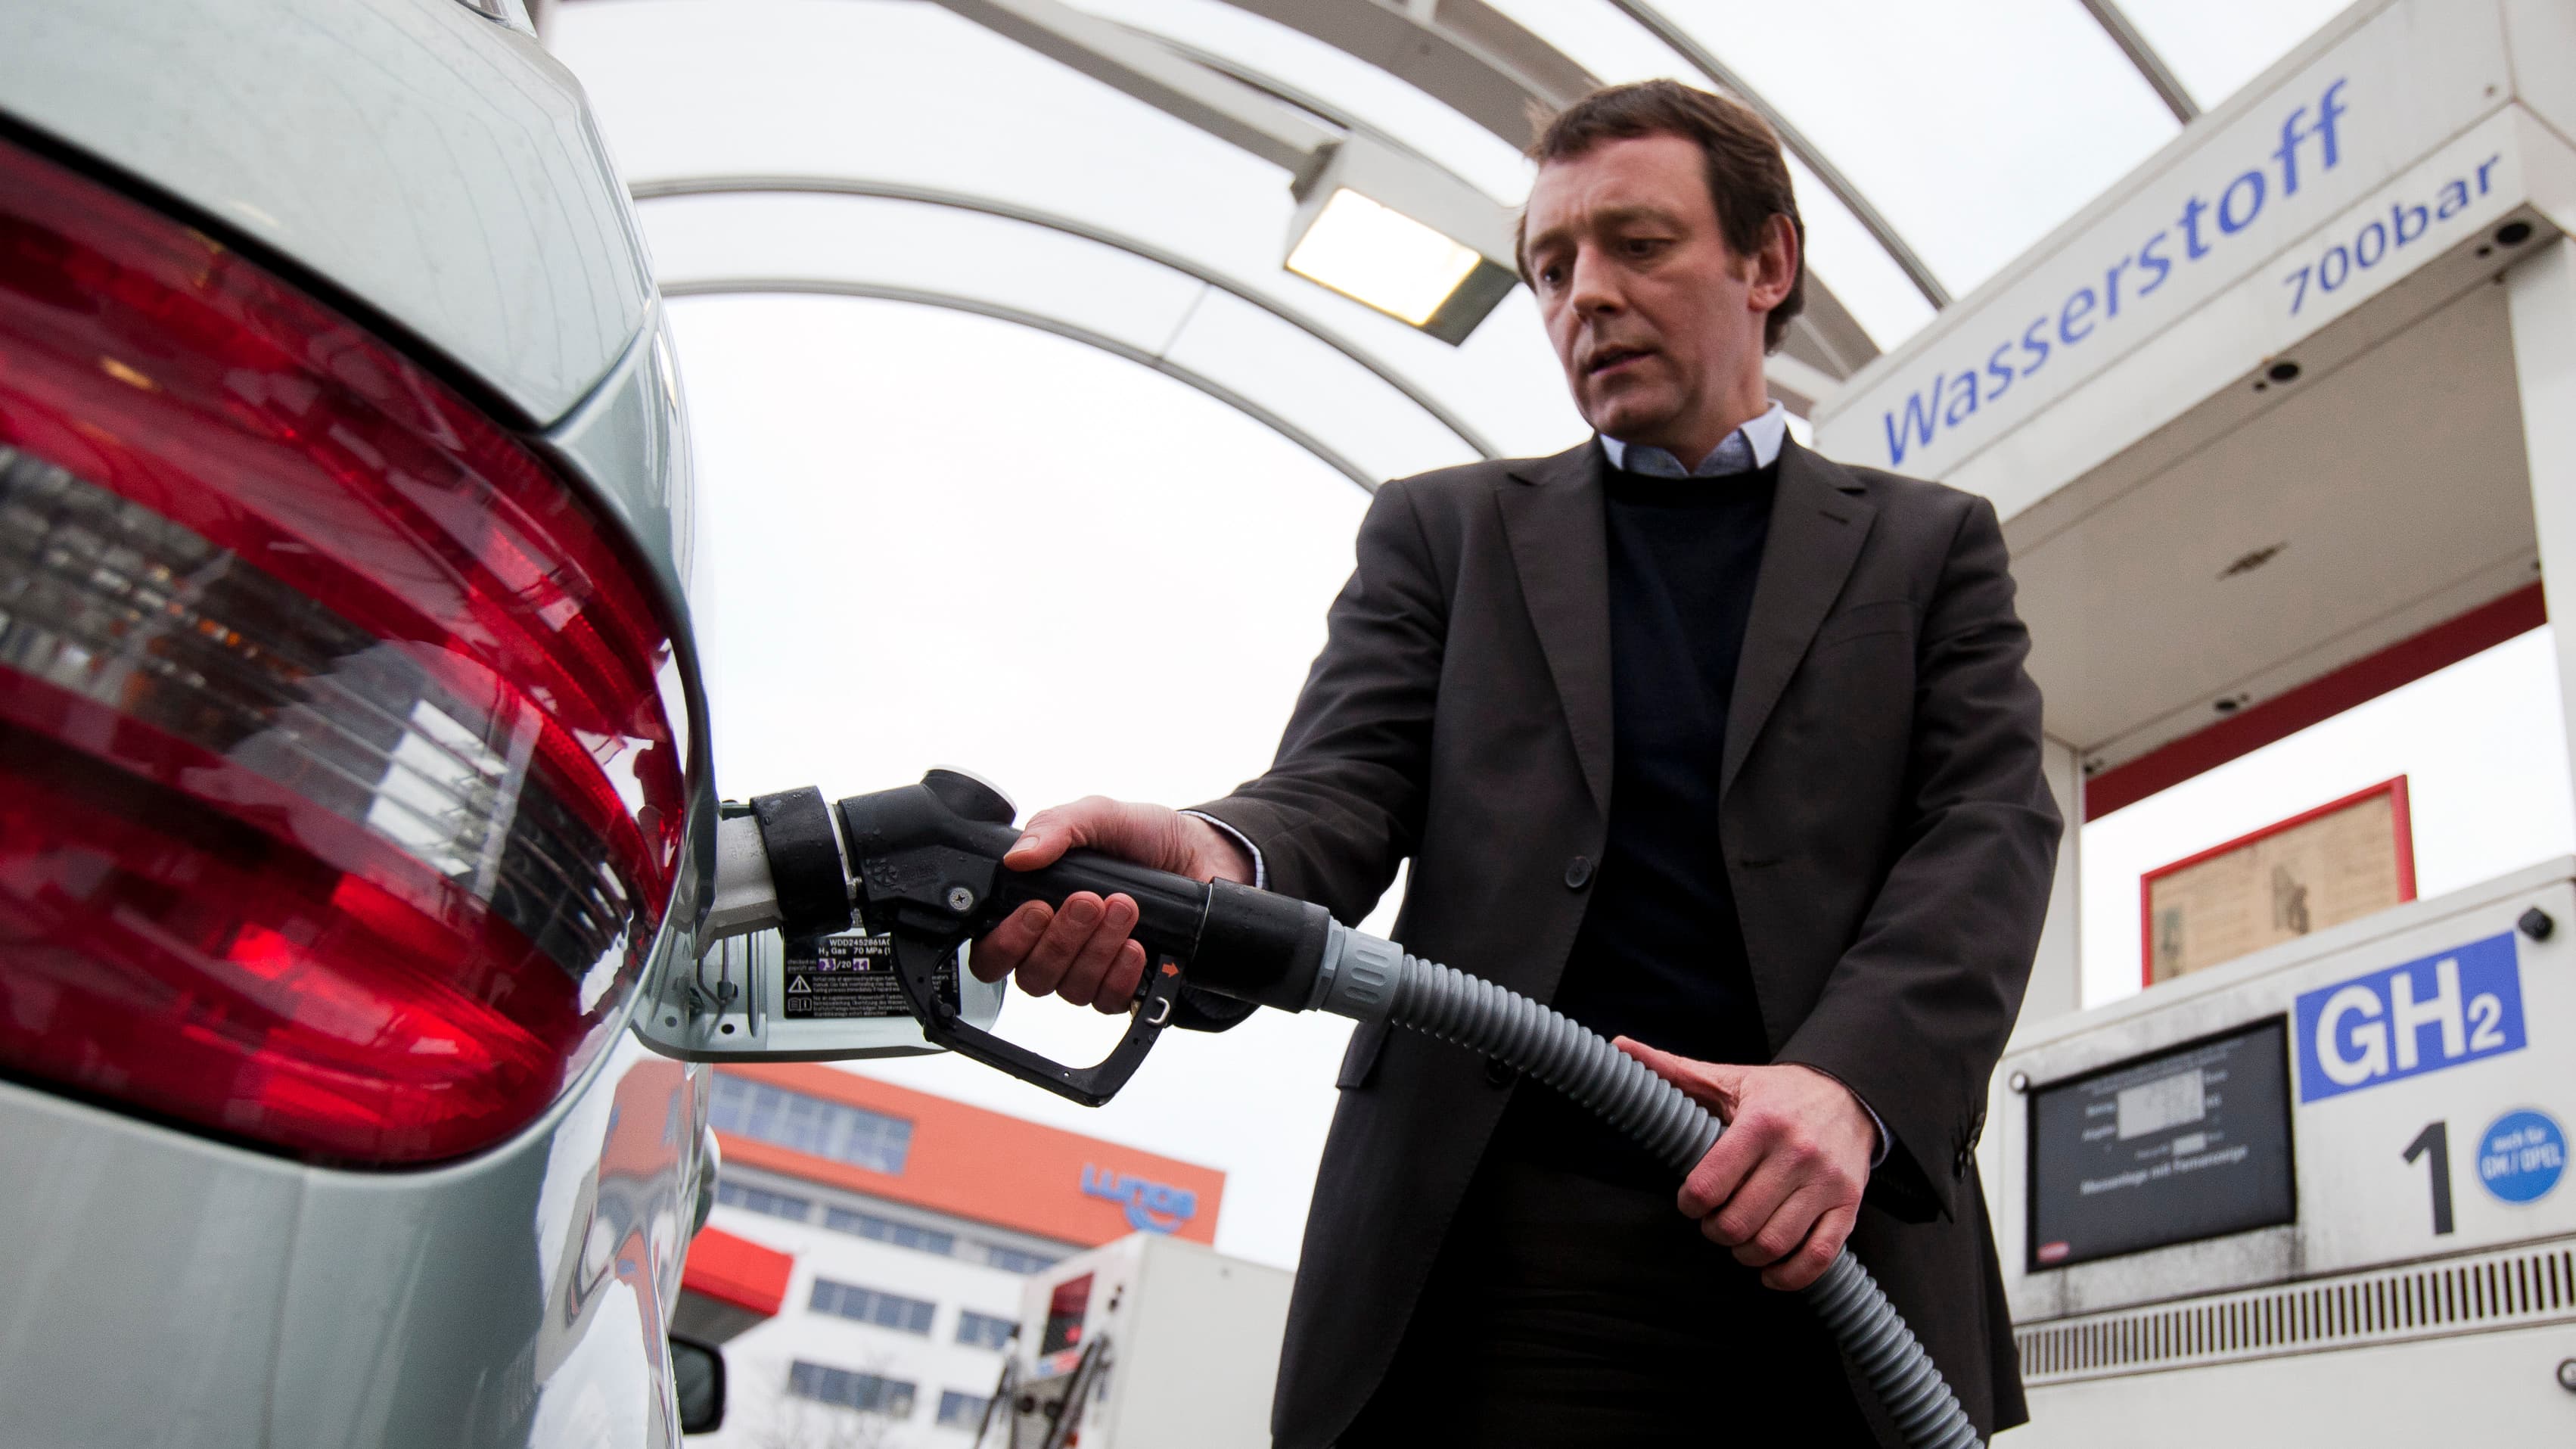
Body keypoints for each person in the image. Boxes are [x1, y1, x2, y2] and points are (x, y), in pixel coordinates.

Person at [971, 79, 2060, 1448]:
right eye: (1550, 268)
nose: (1580, 298)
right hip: (1483, 1263)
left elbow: (1988, 825)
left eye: (1637, 245)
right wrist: (1213, 859)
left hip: (1824, 1252)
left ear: (1766, 261)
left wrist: (1848, 1084)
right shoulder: (1447, 533)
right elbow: (1335, 793)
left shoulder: (1926, 546)